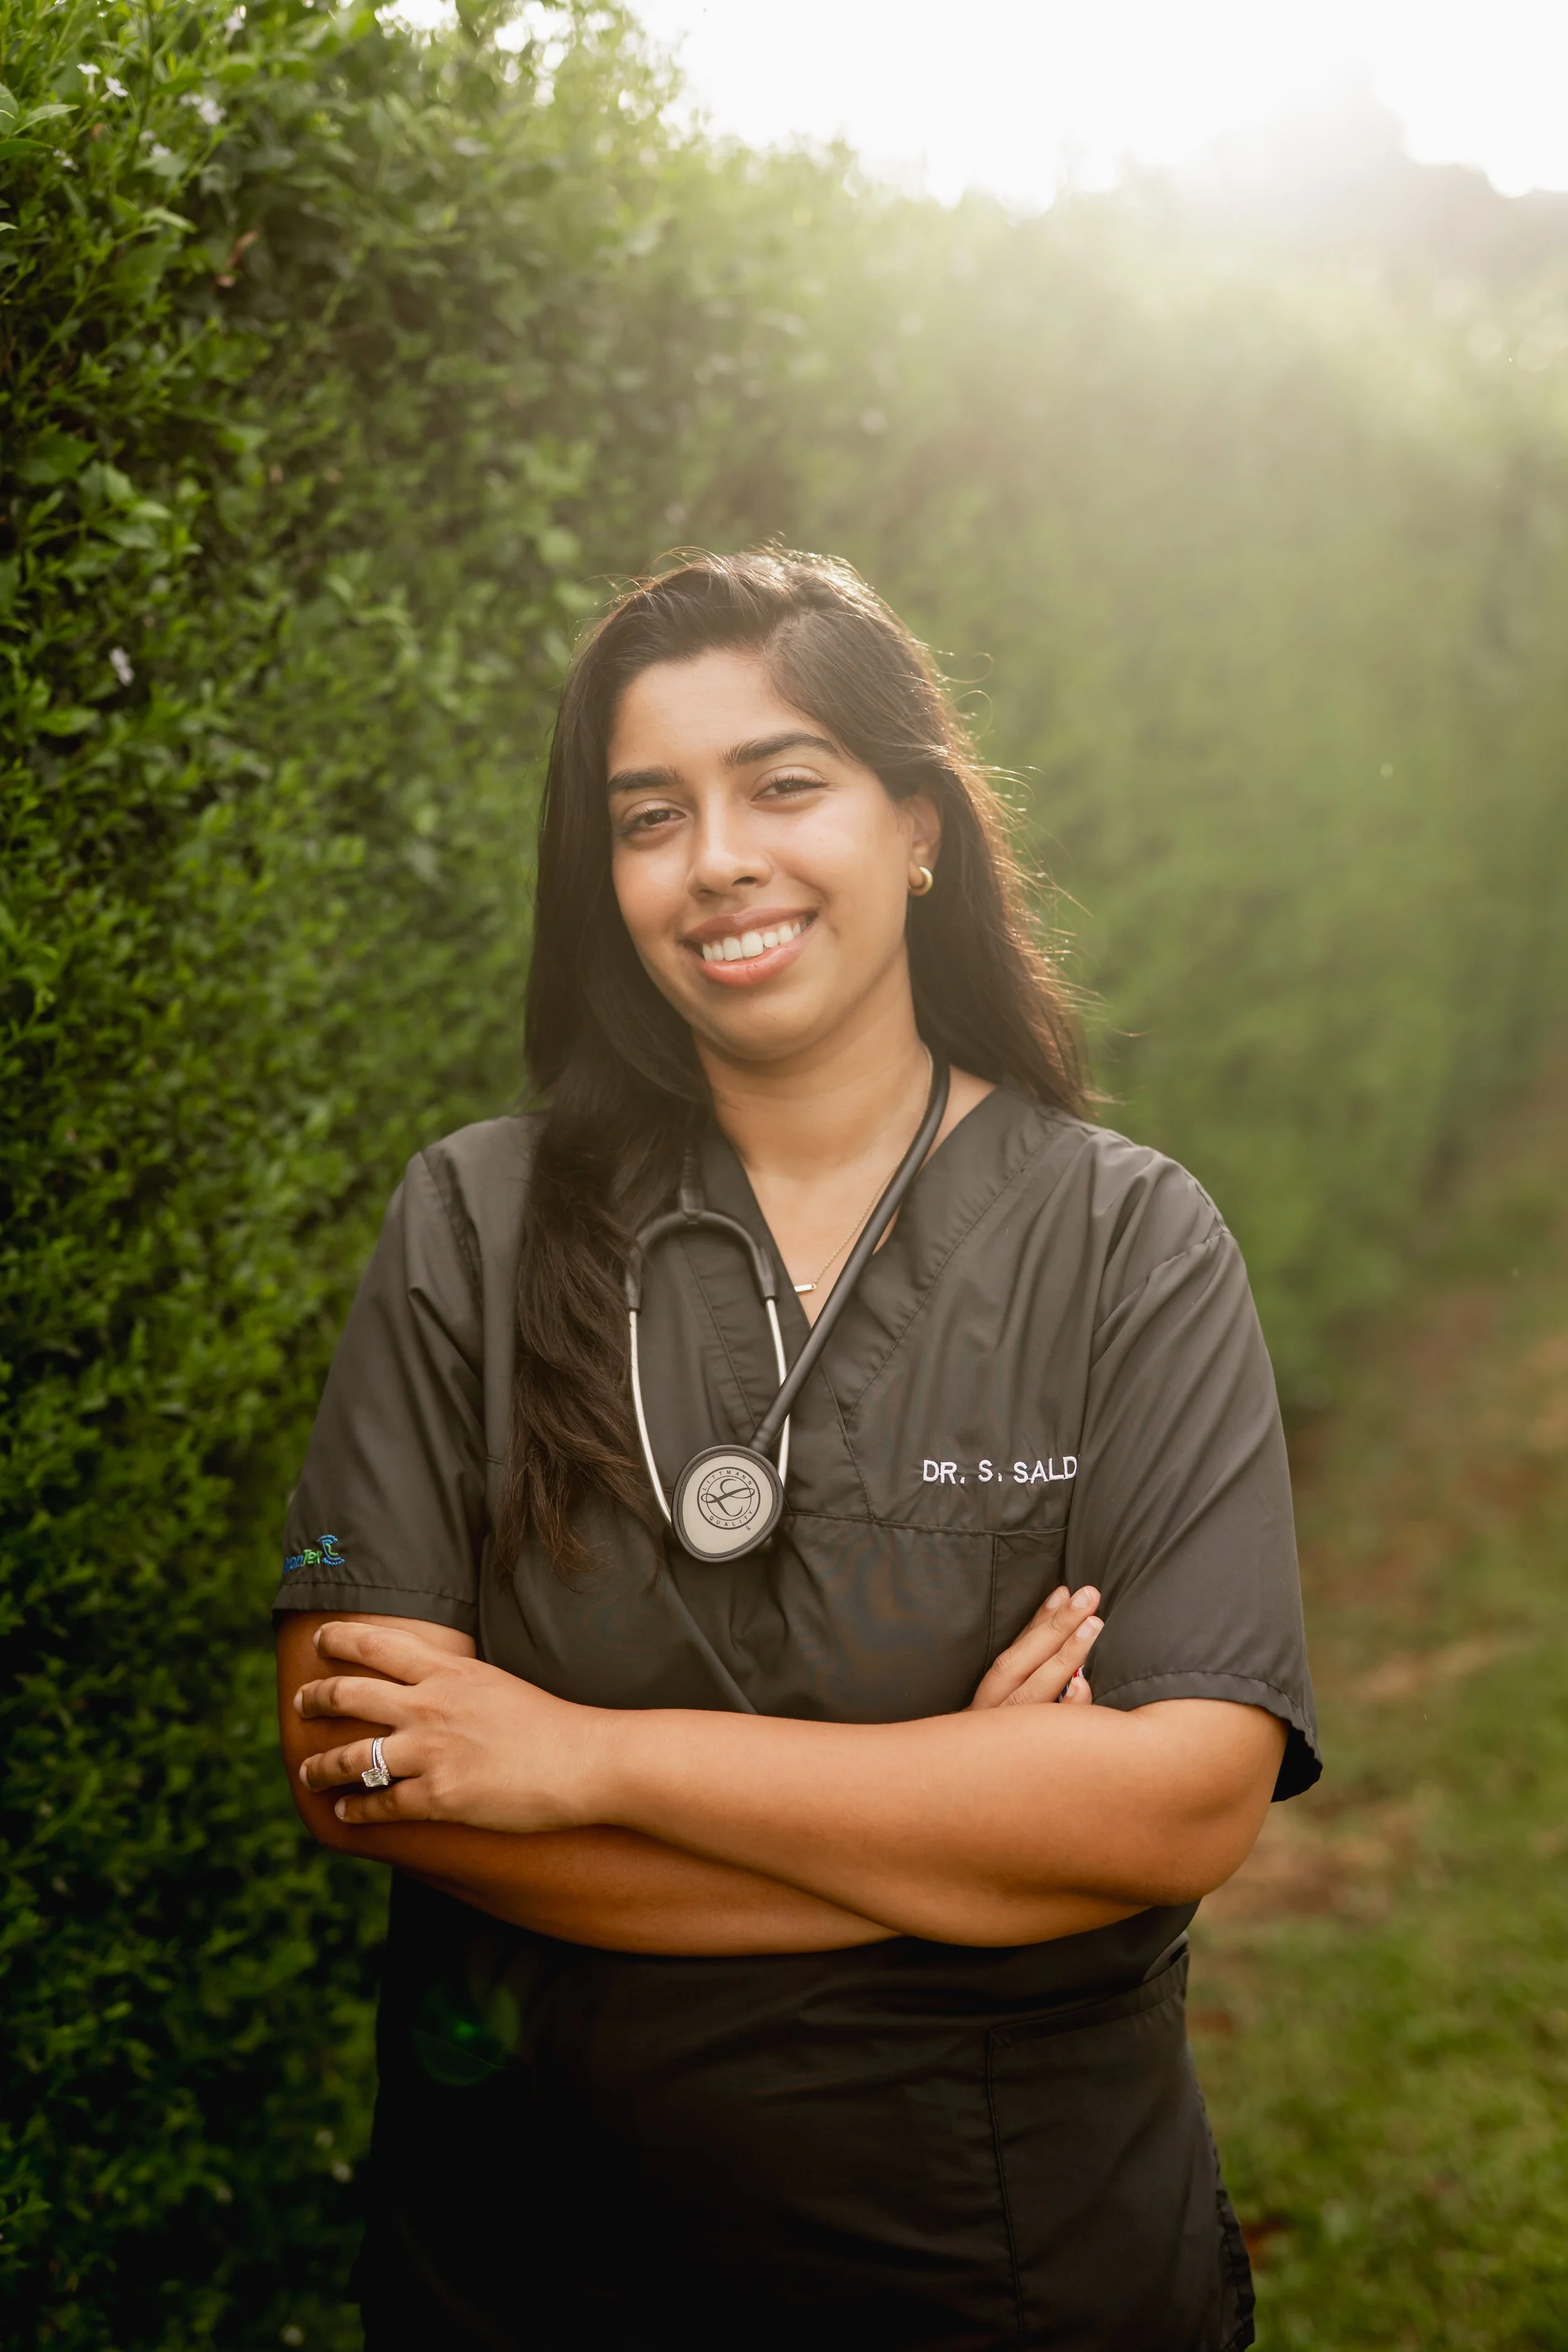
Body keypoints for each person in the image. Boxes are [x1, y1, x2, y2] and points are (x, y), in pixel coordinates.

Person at [275, 548, 1319, 2351]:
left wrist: (578, 1759)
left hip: (1011, 2271)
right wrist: (969, 1837)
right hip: (532, 2268)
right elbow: (371, 1763)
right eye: (648, 813)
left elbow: (1184, 1797)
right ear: (604, 880)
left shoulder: (1127, 1243)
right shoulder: (475, 1219)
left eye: (784, 782)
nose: (717, 859)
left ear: (919, 826)